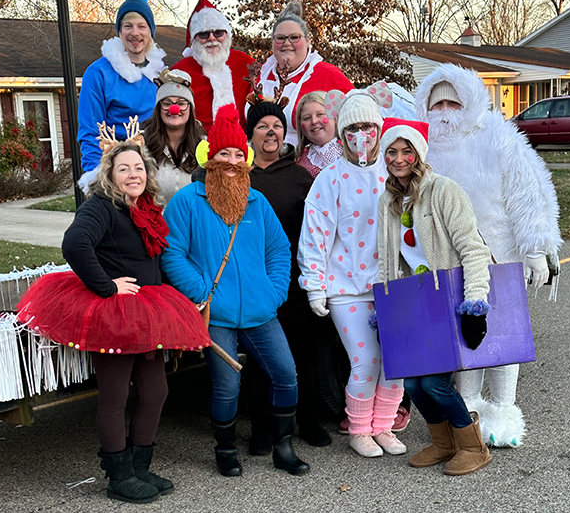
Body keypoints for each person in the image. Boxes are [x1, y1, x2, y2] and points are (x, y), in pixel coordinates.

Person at [16, 125, 210, 503]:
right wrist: (106, 286)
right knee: (115, 396)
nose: (133, 174)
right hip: (114, 315)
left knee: (156, 392)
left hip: (148, 312)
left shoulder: (147, 209)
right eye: (123, 169)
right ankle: (119, 475)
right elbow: (74, 244)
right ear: (110, 175)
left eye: (138, 168)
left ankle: (140, 465)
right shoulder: (100, 206)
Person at [414, 63, 562, 447]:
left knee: (503, 336)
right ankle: (468, 406)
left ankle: (505, 409)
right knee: (465, 335)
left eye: (452, 102)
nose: (444, 110)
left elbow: (528, 191)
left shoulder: (497, 137)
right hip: (449, 260)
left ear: (470, 102)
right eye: (437, 103)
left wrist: (536, 247)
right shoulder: (422, 145)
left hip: (499, 253)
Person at [161, 104, 309, 477]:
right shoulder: (186, 202)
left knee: (286, 374)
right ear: (209, 157)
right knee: (228, 383)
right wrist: (203, 291)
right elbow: (171, 253)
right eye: (222, 154)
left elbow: (278, 250)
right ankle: (225, 448)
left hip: (261, 309)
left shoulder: (257, 203)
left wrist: (274, 291)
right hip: (215, 313)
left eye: (236, 154)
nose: (230, 161)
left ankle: (283, 446)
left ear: (246, 159)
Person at [376, 117, 493, 476]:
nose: (398, 159)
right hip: (415, 305)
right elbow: (387, 260)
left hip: (449, 301)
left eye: (406, 151)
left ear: (419, 154)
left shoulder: (444, 191)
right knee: (413, 382)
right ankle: (443, 443)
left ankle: (474, 446)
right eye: (391, 152)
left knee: (435, 382)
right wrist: (385, 312)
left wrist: (475, 304)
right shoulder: (388, 200)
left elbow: (473, 250)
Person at [298, 87, 406, 458]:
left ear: (380, 129)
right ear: (342, 133)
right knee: (366, 361)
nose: (362, 135)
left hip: (390, 286)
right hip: (346, 286)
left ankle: (384, 424)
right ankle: (360, 428)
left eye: (368, 126)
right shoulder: (329, 179)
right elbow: (315, 234)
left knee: (396, 360)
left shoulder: (396, 175)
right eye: (353, 128)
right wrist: (315, 286)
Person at [244, 95, 331, 452]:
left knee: (303, 353)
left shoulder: (300, 176)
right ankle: (262, 427)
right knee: (260, 359)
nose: (271, 131)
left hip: (296, 280)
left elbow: (319, 227)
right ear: (250, 135)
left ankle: (307, 419)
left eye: (277, 125)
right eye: (262, 125)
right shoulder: (241, 178)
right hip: (253, 281)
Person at [77, 0, 166, 191]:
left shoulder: (160, 76)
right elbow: (90, 131)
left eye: (141, 26)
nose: (134, 33)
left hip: (153, 170)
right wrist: (96, 178)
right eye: (128, 26)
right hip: (112, 171)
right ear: (119, 31)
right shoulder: (98, 74)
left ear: (150, 32)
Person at [256, 1, 354, 148]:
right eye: (280, 38)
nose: (287, 43)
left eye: (294, 37)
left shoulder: (326, 73)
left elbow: (360, 113)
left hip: (304, 165)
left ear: (307, 40)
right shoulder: (260, 74)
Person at [172, 0, 254, 133]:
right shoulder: (180, 71)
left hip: (242, 147)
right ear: (194, 39)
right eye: (203, 34)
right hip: (196, 147)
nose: (211, 38)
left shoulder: (246, 64)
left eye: (218, 32)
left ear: (227, 35)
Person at [143, 68, 205, 204]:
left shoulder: (205, 147)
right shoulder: (141, 145)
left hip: (193, 223)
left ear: (190, 108)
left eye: (181, 103)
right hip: (153, 223)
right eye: (167, 103)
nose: (174, 109)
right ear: (158, 108)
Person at [295, 90, 344, 178]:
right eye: (307, 118)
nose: (314, 121)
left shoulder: (352, 152)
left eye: (320, 114)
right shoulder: (298, 160)